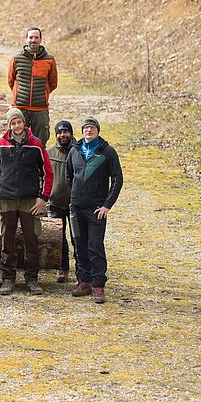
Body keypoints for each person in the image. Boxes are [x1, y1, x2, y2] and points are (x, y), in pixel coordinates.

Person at [0, 108, 53, 296]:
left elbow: (48, 173)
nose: (17, 126)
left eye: (19, 122)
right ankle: (8, 279)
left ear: (24, 123)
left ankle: (32, 279)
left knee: (31, 240)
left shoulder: (36, 144)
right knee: (7, 240)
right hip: (7, 200)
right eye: (13, 123)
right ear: (9, 125)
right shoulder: (0, 145)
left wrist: (43, 198)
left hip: (29, 201)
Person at [66, 117, 123, 304]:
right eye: (85, 128)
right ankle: (84, 281)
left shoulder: (107, 151)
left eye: (91, 128)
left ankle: (98, 285)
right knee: (79, 244)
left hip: (96, 208)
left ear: (97, 130)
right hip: (76, 207)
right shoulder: (74, 150)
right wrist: (74, 197)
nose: (88, 131)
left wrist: (107, 205)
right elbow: (68, 176)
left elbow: (117, 179)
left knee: (95, 245)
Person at [7, 27, 58, 147]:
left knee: (40, 142)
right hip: (20, 107)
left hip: (40, 109)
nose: (33, 40)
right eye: (30, 37)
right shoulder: (16, 58)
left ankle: (38, 165)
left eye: (36, 37)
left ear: (40, 40)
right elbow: (11, 80)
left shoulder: (49, 60)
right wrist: (19, 94)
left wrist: (42, 94)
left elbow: (53, 83)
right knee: (16, 141)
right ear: (26, 39)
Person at [47, 120, 77, 283]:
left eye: (66, 132)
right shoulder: (49, 152)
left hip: (75, 204)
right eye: (59, 132)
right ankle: (62, 268)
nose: (62, 135)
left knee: (77, 237)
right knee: (58, 238)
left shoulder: (79, 151)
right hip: (54, 203)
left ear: (71, 133)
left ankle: (82, 270)